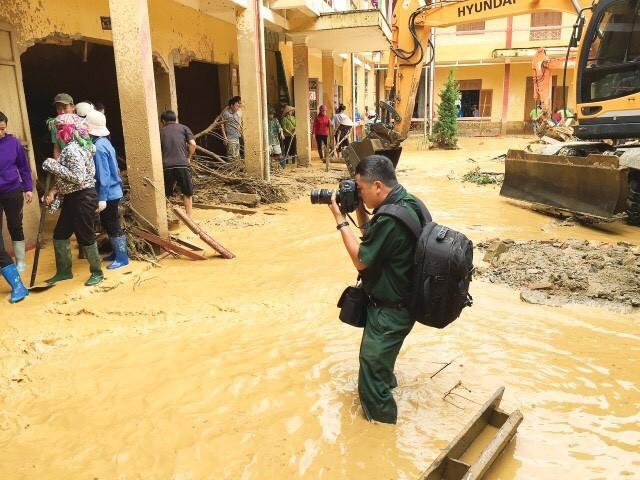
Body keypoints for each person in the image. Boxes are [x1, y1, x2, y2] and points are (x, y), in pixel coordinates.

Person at [328, 154, 426, 424]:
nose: (358, 192)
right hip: (405, 302)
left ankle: (382, 434)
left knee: (371, 381)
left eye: (360, 188)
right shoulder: (407, 202)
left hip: (390, 312)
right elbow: (374, 232)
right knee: (381, 366)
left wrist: (340, 219)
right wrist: (360, 206)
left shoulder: (391, 220)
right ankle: (388, 384)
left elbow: (361, 259)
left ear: (378, 186)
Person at [42, 113, 104, 287]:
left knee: (86, 236)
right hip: (73, 197)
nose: (58, 132)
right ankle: (64, 271)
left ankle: (97, 272)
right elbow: (68, 182)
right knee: (60, 235)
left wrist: (53, 165)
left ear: (70, 130)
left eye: (61, 128)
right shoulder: (77, 147)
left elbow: (78, 177)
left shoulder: (73, 149)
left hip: (82, 197)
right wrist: (55, 197)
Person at [85, 110, 127, 270]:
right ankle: (117, 253)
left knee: (112, 224)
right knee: (109, 223)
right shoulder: (105, 142)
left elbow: (104, 175)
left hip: (108, 193)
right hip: (113, 190)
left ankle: (122, 257)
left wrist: (102, 197)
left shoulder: (98, 147)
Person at [0, 112, 31, 303]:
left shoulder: (13, 143)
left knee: (15, 225)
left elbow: (24, 166)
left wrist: (27, 187)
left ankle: (20, 261)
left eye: (3, 128)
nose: (1, 133)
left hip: (12, 190)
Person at [159, 110, 196, 217]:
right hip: (182, 164)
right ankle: (189, 217)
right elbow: (193, 144)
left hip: (167, 166)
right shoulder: (184, 128)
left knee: (165, 193)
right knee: (187, 193)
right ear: (175, 119)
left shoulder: (160, 131)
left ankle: (164, 216)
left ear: (163, 121)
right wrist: (188, 157)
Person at [47, 93, 75, 160]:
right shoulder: (55, 125)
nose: (62, 112)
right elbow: (57, 148)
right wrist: (58, 166)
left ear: (73, 107)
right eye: (59, 108)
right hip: (66, 162)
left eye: (65, 108)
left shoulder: (81, 124)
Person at [220, 96, 243, 162]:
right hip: (230, 137)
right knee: (231, 156)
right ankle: (232, 169)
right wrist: (224, 137)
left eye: (239, 105)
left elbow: (240, 121)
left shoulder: (238, 112)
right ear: (231, 105)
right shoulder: (225, 113)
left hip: (237, 137)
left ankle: (236, 170)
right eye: (236, 105)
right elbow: (222, 125)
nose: (238, 107)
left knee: (237, 155)